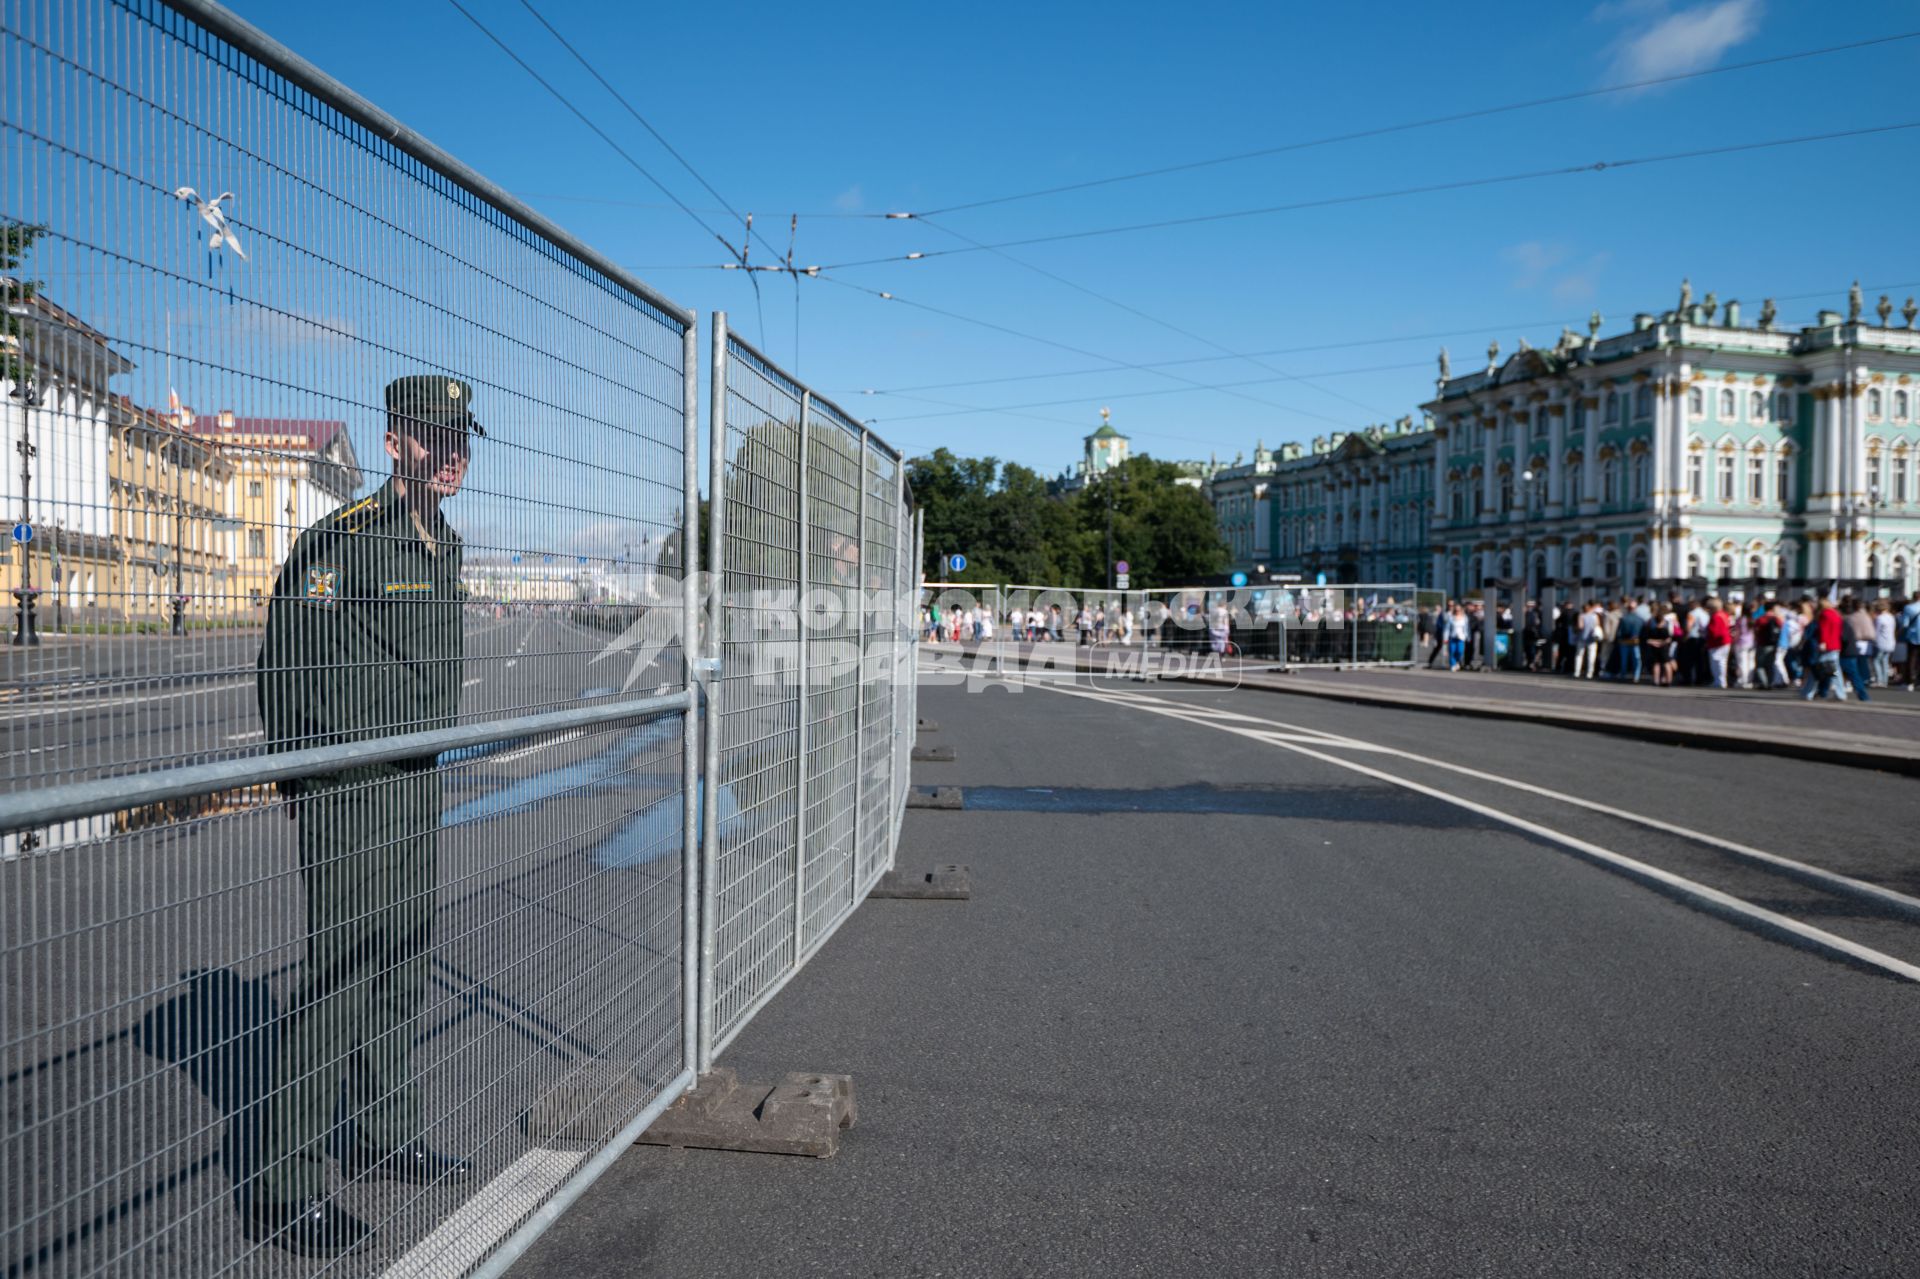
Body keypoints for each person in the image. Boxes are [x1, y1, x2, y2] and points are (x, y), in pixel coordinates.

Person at [249, 376, 482, 1255]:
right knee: (341, 974)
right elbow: (284, 668)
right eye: (434, 436)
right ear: (394, 443)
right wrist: (304, 783)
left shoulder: (443, 543)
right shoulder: (340, 542)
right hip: (351, 788)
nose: (451, 452)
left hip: (416, 785)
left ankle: (384, 1132)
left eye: (461, 437)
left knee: (400, 961)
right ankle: (285, 1184)